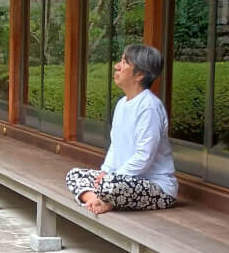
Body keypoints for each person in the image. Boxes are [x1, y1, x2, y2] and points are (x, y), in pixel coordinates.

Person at [66, 44, 177, 215]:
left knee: (109, 184)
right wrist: (105, 172)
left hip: (157, 188)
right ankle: (97, 201)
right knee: (75, 174)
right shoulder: (121, 103)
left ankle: (102, 199)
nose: (117, 66)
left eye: (124, 62)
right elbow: (115, 146)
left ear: (139, 74)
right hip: (122, 182)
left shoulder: (149, 107)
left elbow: (144, 157)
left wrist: (112, 177)